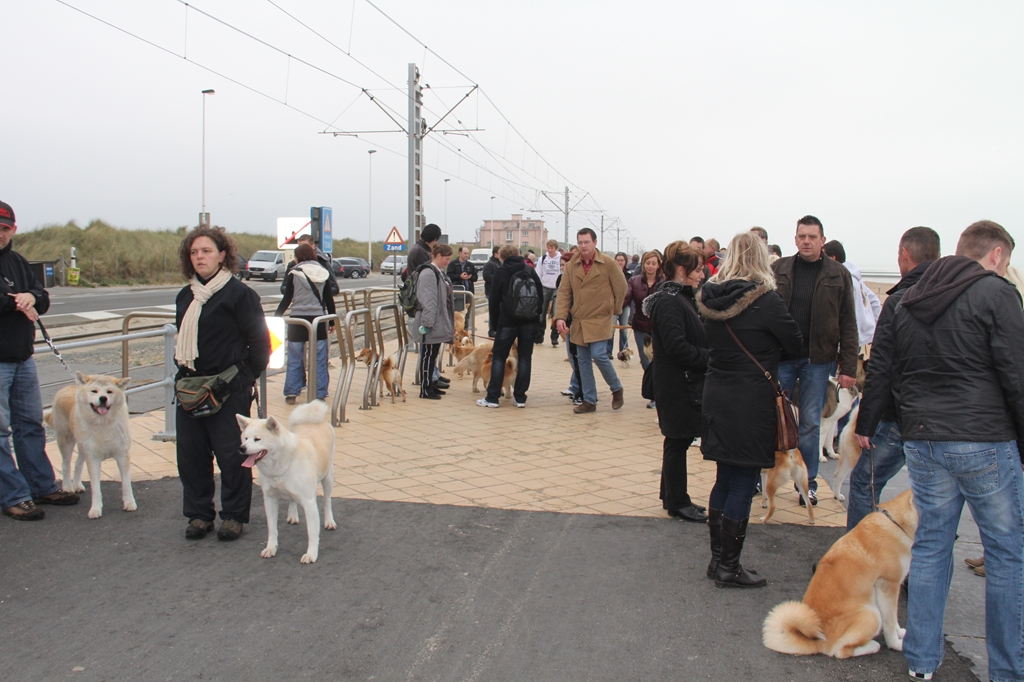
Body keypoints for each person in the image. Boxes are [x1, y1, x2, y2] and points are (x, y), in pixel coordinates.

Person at [890, 221, 1024, 682]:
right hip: (983, 438)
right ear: (997, 255)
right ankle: (1008, 670)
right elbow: (1016, 374)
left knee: (931, 546)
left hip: (924, 439)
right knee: (1006, 553)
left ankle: (922, 662)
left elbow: (897, 368)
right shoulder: (997, 293)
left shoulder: (913, 297)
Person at [697, 232, 802, 588]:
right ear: (761, 258)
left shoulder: (709, 298)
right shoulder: (766, 301)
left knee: (724, 478)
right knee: (742, 480)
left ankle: (717, 561)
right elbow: (795, 343)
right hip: (750, 399)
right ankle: (729, 566)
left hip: (717, 392)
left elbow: (707, 342)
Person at [174, 226, 270, 541]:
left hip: (228, 389)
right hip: (191, 388)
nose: (199, 257)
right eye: (194, 252)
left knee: (232, 454)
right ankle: (199, 515)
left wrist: (241, 382)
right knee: (191, 455)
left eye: (206, 251)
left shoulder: (241, 295)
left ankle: (234, 516)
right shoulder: (185, 296)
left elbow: (260, 347)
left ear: (222, 255)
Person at [848, 227, 939, 530]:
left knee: (864, 482)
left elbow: (882, 366)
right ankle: (925, 564)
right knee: (934, 496)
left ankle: (856, 558)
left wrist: (867, 422)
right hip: (942, 417)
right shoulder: (954, 296)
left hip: (899, 415)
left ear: (904, 254)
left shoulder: (899, 302)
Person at [0, 200, 80, 520]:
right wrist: (15, 301)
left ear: (13, 230)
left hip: (23, 359)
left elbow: (42, 296)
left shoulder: (19, 262)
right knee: (0, 431)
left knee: (30, 425)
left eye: (4, 228)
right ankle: (13, 495)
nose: (0, 234)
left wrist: (31, 297)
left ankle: (41, 485)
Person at [770, 215, 858, 505]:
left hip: (818, 360)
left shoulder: (838, 274)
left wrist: (849, 365)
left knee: (809, 423)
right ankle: (760, 479)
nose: (806, 241)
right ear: (795, 239)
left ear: (822, 240)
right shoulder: (779, 269)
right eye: (801, 236)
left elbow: (848, 321)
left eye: (812, 236)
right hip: (781, 357)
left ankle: (806, 484)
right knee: (770, 418)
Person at [643, 242, 708, 522]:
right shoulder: (670, 301)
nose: (702, 276)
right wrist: (711, 357)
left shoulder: (678, 298)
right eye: (698, 270)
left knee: (677, 441)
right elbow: (676, 347)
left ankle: (672, 496)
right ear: (682, 270)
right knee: (678, 440)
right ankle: (678, 501)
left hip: (681, 381)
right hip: (676, 383)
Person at [554, 228, 628, 414]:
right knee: (583, 360)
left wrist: (614, 309)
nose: (583, 246)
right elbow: (564, 292)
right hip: (580, 318)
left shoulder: (608, 263)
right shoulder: (572, 266)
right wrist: (560, 316)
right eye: (580, 242)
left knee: (599, 355)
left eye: (586, 242)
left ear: (595, 242)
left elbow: (621, 287)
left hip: (600, 317)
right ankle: (589, 400)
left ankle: (616, 388)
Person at [477, 245, 542, 408]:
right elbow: (540, 295)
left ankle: (492, 398)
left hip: (507, 322)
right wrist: (537, 322)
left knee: (499, 358)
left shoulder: (501, 272)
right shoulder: (529, 270)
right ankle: (520, 398)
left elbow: (493, 300)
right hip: (529, 322)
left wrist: (494, 325)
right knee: (525, 358)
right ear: (519, 255)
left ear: (501, 257)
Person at [275, 243, 336, 403]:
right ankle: (320, 393)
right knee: (320, 358)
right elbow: (329, 299)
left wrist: (276, 316)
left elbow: (287, 298)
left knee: (295, 358)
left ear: (298, 257)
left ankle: (292, 393)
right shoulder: (323, 273)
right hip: (318, 320)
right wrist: (331, 320)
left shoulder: (294, 273)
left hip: (297, 321)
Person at [413, 244, 455, 400]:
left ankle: (431, 386)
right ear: (438, 256)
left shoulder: (437, 273)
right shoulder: (429, 274)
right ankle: (425, 390)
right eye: (447, 259)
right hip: (431, 324)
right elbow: (428, 301)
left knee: (432, 357)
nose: (448, 262)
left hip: (436, 322)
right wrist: (428, 324)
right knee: (427, 356)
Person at [822, 240, 881, 348]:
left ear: (832, 258)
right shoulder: (856, 278)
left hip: (849, 341)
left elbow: (846, 314)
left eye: (823, 257)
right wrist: (873, 329)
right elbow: (875, 302)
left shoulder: (844, 280)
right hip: (860, 338)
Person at [623, 250, 663, 377]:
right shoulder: (634, 281)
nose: (650, 266)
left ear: (658, 265)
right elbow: (626, 298)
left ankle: (658, 389)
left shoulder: (664, 282)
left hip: (659, 327)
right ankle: (651, 387)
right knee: (645, 358)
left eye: (653, 263)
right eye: (648, 263)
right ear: (643, 264)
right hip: (640, 326)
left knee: (658, 358)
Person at [285, 233, 339, 297]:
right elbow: (284, 287)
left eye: (305, 246)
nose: (302, 249)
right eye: (300, 246)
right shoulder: (293, 264)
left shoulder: (322, 262)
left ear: (313, 246)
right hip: (299, 303)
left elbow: (335, 288)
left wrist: (320, 291)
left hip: (318, 303)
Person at [536, 240, 562, 346]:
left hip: (557, 288)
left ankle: (554, 336)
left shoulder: (560, 259)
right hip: (545, 287)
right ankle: (539, 336)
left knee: (555, 313)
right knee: (542, 313)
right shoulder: (542, 259)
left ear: (556, 248)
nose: (550, 250)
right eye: (548, 248)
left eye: (552, 248)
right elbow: (538, 274)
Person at [612, 252, 631, 355]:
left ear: (625, 262)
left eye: (622, 260)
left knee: (624, 329)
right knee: (612, 329)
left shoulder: (629, 275)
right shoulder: (611, 273)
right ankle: (608, 351)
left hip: (625, 305)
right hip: (614, 306)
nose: (620, 262)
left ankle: (624, 351)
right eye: (618, 260)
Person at [481, 245, 502, 337]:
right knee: (493, 311)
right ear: (496, 254)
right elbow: (486, 276)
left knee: (499, 311)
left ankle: (497, 329)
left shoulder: (500, 264)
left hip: (499, 292)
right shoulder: (489, 264)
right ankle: (492, 330)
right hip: (491, 292)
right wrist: (498, 277)